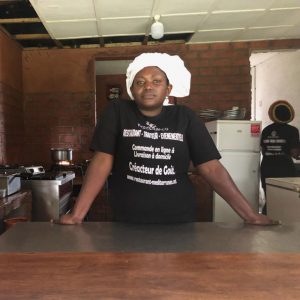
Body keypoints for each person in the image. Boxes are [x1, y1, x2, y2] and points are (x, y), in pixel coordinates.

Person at [60, 52, 279, 225]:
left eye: (156, 81)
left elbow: (211, 167)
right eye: (140, 82)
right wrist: (77, 215)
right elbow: (102, 160)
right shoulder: (117, 112)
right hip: (126, 217)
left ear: (168, 89)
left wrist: (251, 215)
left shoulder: (185, 117)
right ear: (132, 90)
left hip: (178, 217)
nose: (148, 86)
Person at [260, 100, 300, 214]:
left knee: (270, 196)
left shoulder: (266, 130)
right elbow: (294, 153)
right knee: (285, 198)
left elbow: (263, 150)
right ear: (290, 115)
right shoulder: (292, 130)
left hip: (267, 168)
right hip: (284, 168)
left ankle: (268, 218)